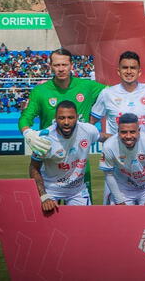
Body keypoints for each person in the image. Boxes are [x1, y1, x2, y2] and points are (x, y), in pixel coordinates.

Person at [19, 48, 106, 198]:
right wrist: (27, 132)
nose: (61, 69)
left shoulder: (87, 87)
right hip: (50, 163)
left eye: (64, 65)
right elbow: (26, 117)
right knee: (49, 214)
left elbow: (116, 93)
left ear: (72, 65)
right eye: (57, 65)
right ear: (50, 66)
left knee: (82, 216)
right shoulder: (40, 91)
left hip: (79, 164)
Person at [28, 101, 109, 212]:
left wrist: (124, 137)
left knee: (83, 226)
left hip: (77, 191)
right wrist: (43, 196)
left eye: (70, 118)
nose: (66, 122)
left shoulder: (88, 130)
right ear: (55, 118)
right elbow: (34, 168)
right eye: (62, 118)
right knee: (51, 227)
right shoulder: (44, 139)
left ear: (77, 117)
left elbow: (103, 137)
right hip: (50, 189)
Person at [90, 51, 145, 135]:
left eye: (133, 68)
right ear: (119, 71)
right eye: (125, 67)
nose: (129, 71)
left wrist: (142, 134)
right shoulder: (107, 93)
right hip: (116, 147)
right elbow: (92, 120)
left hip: (142, 147)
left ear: (139, 72)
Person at [99, 113, 145, 205]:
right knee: (121, 218)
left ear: (139, 131)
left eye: (132, 132)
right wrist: (119, 200)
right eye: (124, 132)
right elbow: (108, 175)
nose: (128, 136)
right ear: (118, 131)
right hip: (123, 189)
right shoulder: (109, 145)